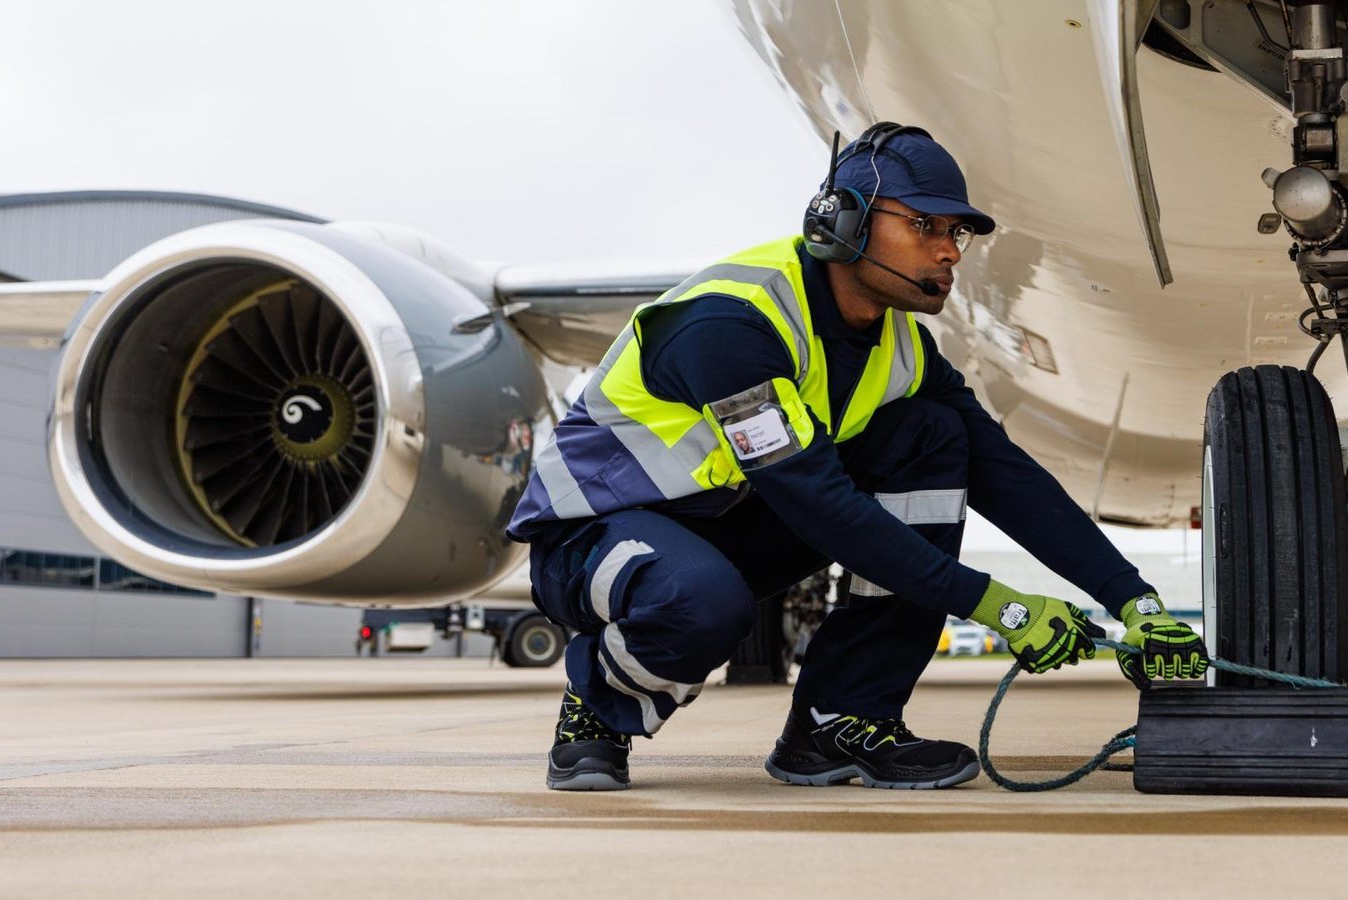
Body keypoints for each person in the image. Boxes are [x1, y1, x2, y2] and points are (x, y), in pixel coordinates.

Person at [506, 122, 1208, 792]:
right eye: (924, 225)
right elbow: (820, 503)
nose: (951, 251)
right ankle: (596, 704)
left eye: (956, 232)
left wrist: (1133, 599)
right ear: (839, 222)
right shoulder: (732, 323)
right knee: (699, 602)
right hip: (596, 539)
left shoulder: (903, 348)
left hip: (731, 526)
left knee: (936, 436)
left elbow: (1006, 475)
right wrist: (1000, 607)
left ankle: (839, 720)